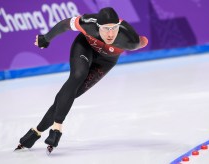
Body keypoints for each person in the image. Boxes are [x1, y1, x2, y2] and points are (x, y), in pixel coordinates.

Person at [15, 7, 148, 153]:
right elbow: (64, 25)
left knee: (73, 93)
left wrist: (142, 41)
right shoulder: (87, 23)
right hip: (85, 47)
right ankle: (57, 126)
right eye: (105, 29)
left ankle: (35, 133)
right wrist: (45, 39)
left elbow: (143, 41)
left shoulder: (130, 40)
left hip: (105, 62)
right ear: (98, 26)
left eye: (114, 28)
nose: (110, 34)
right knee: (78, 75)